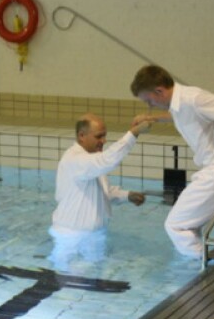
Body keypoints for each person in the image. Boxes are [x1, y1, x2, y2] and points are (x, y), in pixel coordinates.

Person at [129, 65, 214, 259]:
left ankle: (205, 263)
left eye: (149, 100)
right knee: (189, 225)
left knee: (175, 226)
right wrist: (152, 118)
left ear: (159, 91)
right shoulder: (179, 103)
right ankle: (204, 260)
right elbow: (179, 115)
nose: (150, 105)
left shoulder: (194, 99)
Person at [49, 113, 150, 271]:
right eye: (98, 136)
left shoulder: (91, 159)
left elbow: (103, 191)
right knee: (70, 287)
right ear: (82, 136)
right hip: (72, 237)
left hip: (93, 235)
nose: (103, 141)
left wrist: (126, 195)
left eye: (104, 136)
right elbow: (107, 160)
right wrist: (133, 133)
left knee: (94, 277)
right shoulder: (75, 160)